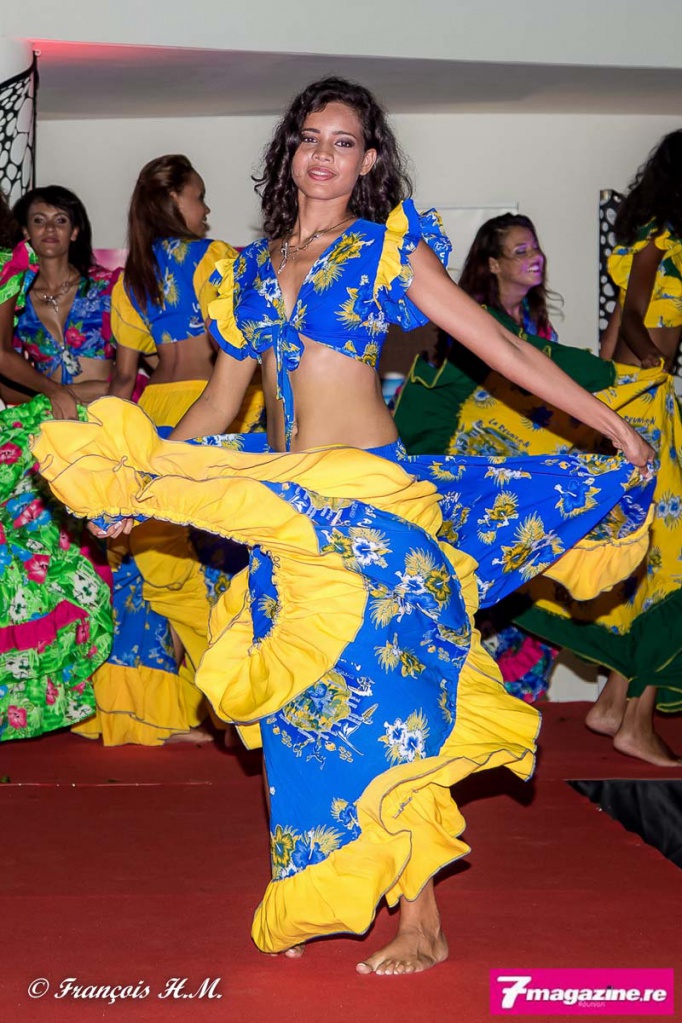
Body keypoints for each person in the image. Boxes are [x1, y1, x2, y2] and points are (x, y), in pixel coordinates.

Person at [35, 77, 654, 974]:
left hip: (370, 510)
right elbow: (219, 402)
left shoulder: (385, 251)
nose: (324, 154)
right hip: (288, 516)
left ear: (368, 162)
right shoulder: (245, 270)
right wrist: (150, 480)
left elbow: (501, 346)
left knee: (387, 707)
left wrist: (607, 423)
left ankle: (422, 920)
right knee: (303, 711)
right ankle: (327, 889)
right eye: (311, 137)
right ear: (289, 151)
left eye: (345, 141)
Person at [395, 202, 682, 766]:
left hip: (529, 476)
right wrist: (637, 378)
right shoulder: (477, 322)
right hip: (474, 481)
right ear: (493, 264)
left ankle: (611, 700)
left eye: (537, 247)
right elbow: (553, 365)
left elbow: (569, 370)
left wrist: (618, 398)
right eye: (520, 250)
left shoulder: (534, 329)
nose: (536, 257)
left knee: (615, 555)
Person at [76, 154, 260, 746]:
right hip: (211, 412)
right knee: (222, 564)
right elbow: (239, 345)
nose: (206, 209)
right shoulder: (215, 258)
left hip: (154, 415)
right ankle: (238, 704)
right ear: (174, 198)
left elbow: (122, 379)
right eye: (199, 196)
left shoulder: (131, 278)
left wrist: (112, 445)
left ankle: (219, 704)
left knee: (165, 570)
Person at [0, 186, 114, 740]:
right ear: (24, 231)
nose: (49, 230)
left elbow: (123, 376)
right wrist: (53, 397)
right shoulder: (16, 292)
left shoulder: (107, 290)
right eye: (39, 220)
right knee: (35, 558)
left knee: (98, 550)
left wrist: (67, 397)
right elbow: (8, 379)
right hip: (42, 429)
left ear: (77, 229)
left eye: (60, 219)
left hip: (99, 427)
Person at [585, 130, 682, 763]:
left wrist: (602, 403)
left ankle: (613, 702)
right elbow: (637, 319)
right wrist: (652, 367)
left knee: (648, 554)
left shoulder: (653, 242)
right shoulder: (658, 243)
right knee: (670, 563)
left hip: (635, 404)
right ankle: (635, 721)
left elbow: (613, 329)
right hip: (646, 403)